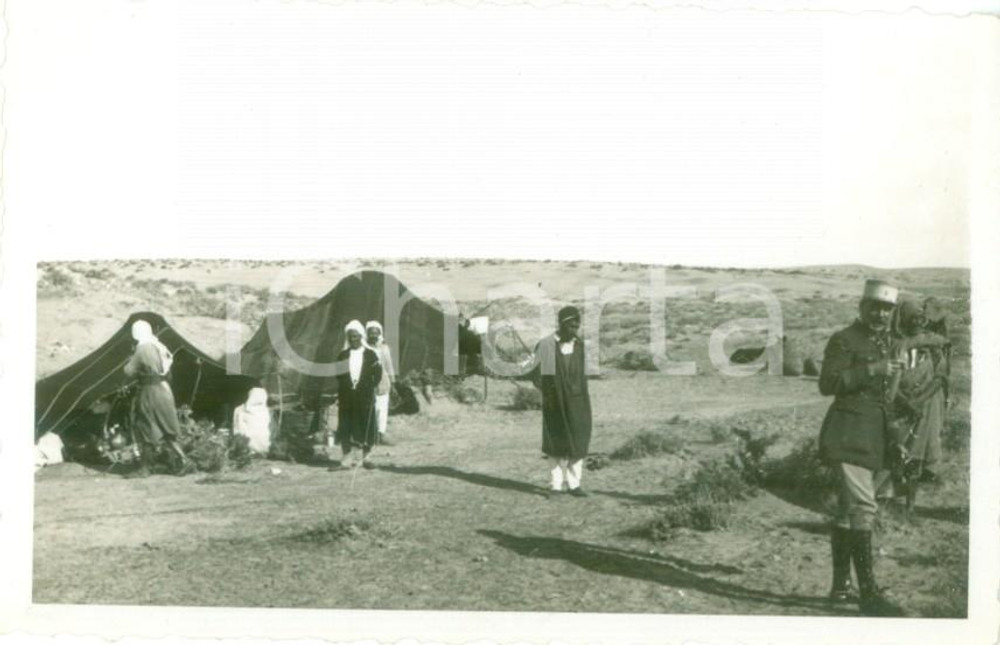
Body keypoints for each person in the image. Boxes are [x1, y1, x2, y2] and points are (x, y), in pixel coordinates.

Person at [817, 279, 906, 616]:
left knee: (847, 511)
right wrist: (872, 369)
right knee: (864, 507)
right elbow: (828, 384)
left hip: (873, 437)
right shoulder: (844, 339)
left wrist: (895, 437)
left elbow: (885, 399)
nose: (881, 314)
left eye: (886, 309)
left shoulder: (887, 343)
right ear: (862, 307)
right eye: (875, 307)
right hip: (847, 433)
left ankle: (841, 589)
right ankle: (869, 595)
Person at [531, 306, 592, 497]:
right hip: (554, 403)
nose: (574, 330)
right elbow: (535, 374)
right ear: (561, 324)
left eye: (577, 326)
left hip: (578, 402)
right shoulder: (546, 345)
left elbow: (582, 375)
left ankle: (574, 485)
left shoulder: (579, 346)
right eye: (571, 326)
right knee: (555, 444)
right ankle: (556, 485)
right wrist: (549, 392)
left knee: (578, 441)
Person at [889, 298, 950, 488]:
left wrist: (919, 400)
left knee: (923, 439)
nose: (917, 322)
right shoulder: (890, 343)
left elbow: (940, 376)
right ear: (902, 318)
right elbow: (886, 381)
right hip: (898, 400)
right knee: (896, 443)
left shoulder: (932, 342)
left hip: (928, 399)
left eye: (920, 318)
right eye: (912, 318)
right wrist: (905, 401)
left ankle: (921, 475)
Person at [123, 319, 194, 476]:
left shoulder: (142, 349)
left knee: (146, 426)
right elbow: (167, 372)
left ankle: (145, 468)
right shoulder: (159, 347)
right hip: (164, 389)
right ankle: (184, 460)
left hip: (150, 391)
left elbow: (129, 371)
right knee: (166, 428)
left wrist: (129, 360)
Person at [334, 320, 383, 469]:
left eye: (355, 336)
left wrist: (369, 387)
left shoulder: (370, 355)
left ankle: (367, 458)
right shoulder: (343, 355)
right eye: (350, 336)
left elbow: (377, 374)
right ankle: (346, 459)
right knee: (346, 425)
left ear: (361, 336)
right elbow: (339, 375)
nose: (353, 339)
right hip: (347, 397)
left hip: (365, 396)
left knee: (366, 424)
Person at [366, 320, 396, 445]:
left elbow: (389, 366)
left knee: (382, 409)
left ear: (380, 334)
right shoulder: (364, 348)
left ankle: (381, 434)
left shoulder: (384, 348)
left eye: (376, 333)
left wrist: (393, 383)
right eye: (370, 333)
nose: (373, 335)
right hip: (367, 382)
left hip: (383, 382)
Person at [233, 386, 273, 455]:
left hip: (249, 443)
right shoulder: (265, 410)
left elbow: (237, 427)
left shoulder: (240, 410)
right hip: (263, 445)